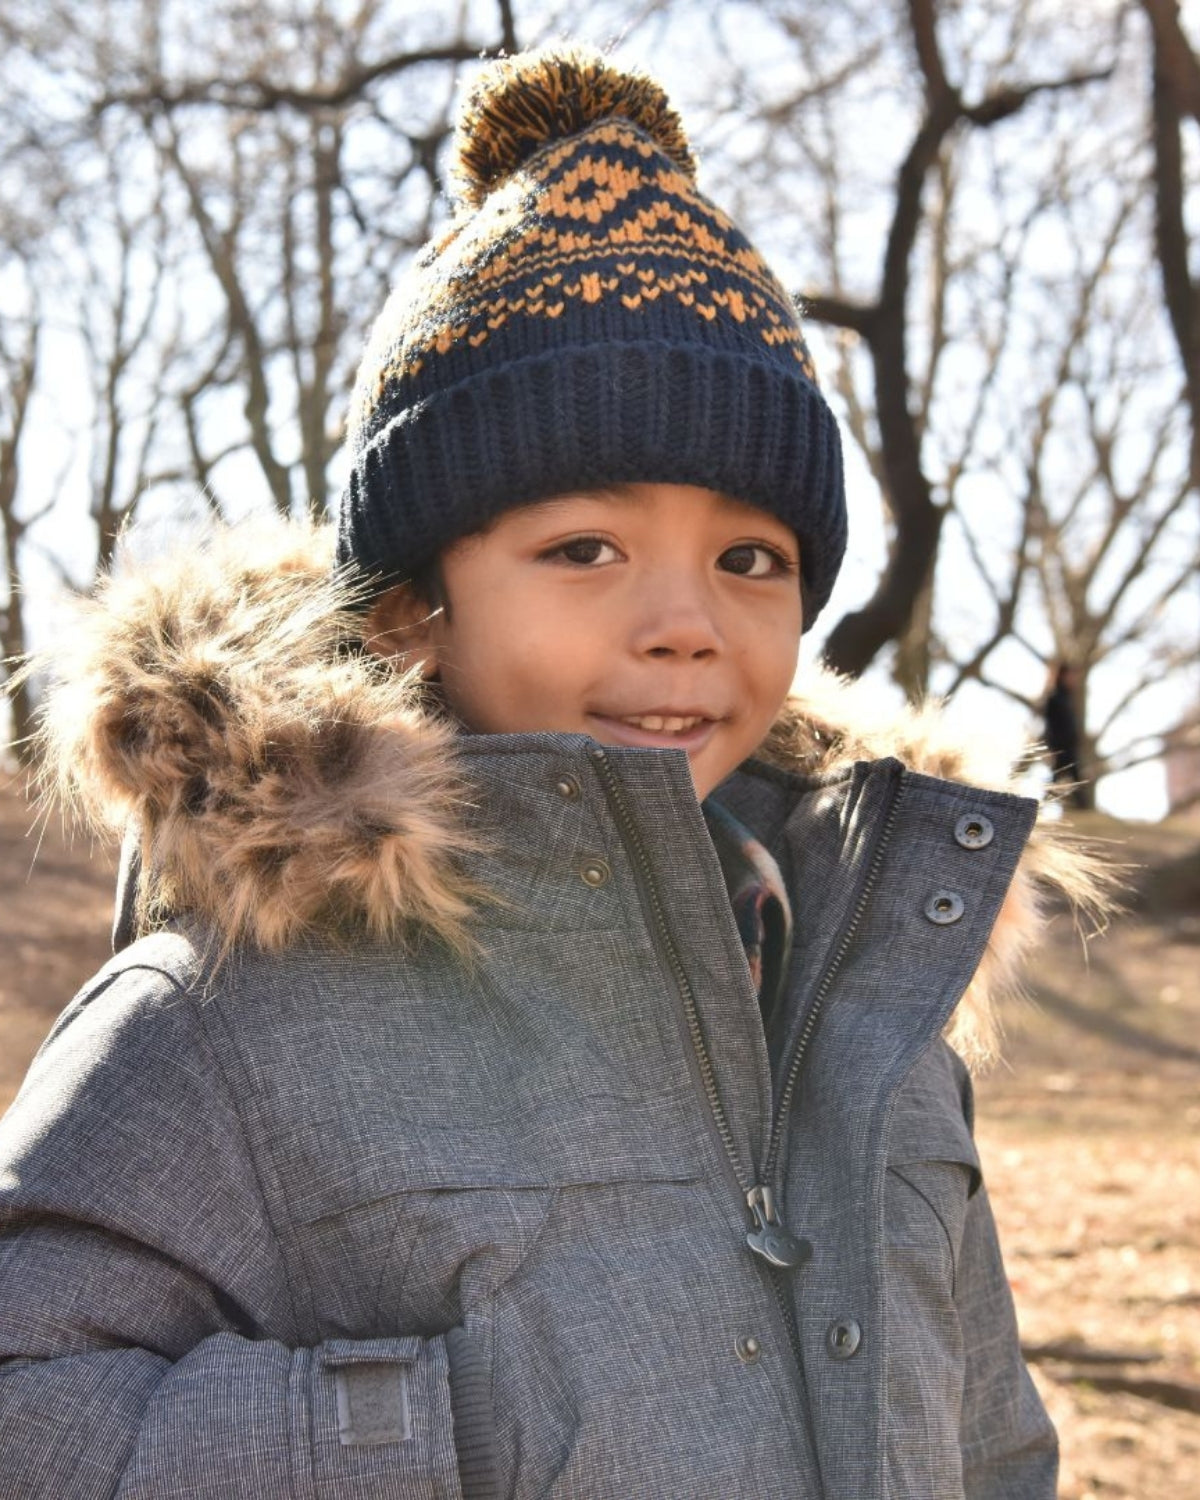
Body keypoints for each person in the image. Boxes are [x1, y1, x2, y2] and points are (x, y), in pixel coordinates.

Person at [0, 45, 1107, 1499]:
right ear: (412, 608)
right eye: (585, 548)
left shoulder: (864, 987)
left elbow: (991, 1440)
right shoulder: (230, 1007)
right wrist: (466, 1427)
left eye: (751, 558)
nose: (686, 623)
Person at [1043, 662, 1088, 809]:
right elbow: (1050, 726)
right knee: (1066, 779)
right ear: (1062, 676)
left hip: (1069, 747)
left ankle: (1042, 806)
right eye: (1071, 676)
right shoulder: (1054, 698)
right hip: (1061, 747)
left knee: (1064, 778)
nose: (1073, 680)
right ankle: (1083, 808)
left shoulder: (1067, 698)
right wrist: (1053, 747)